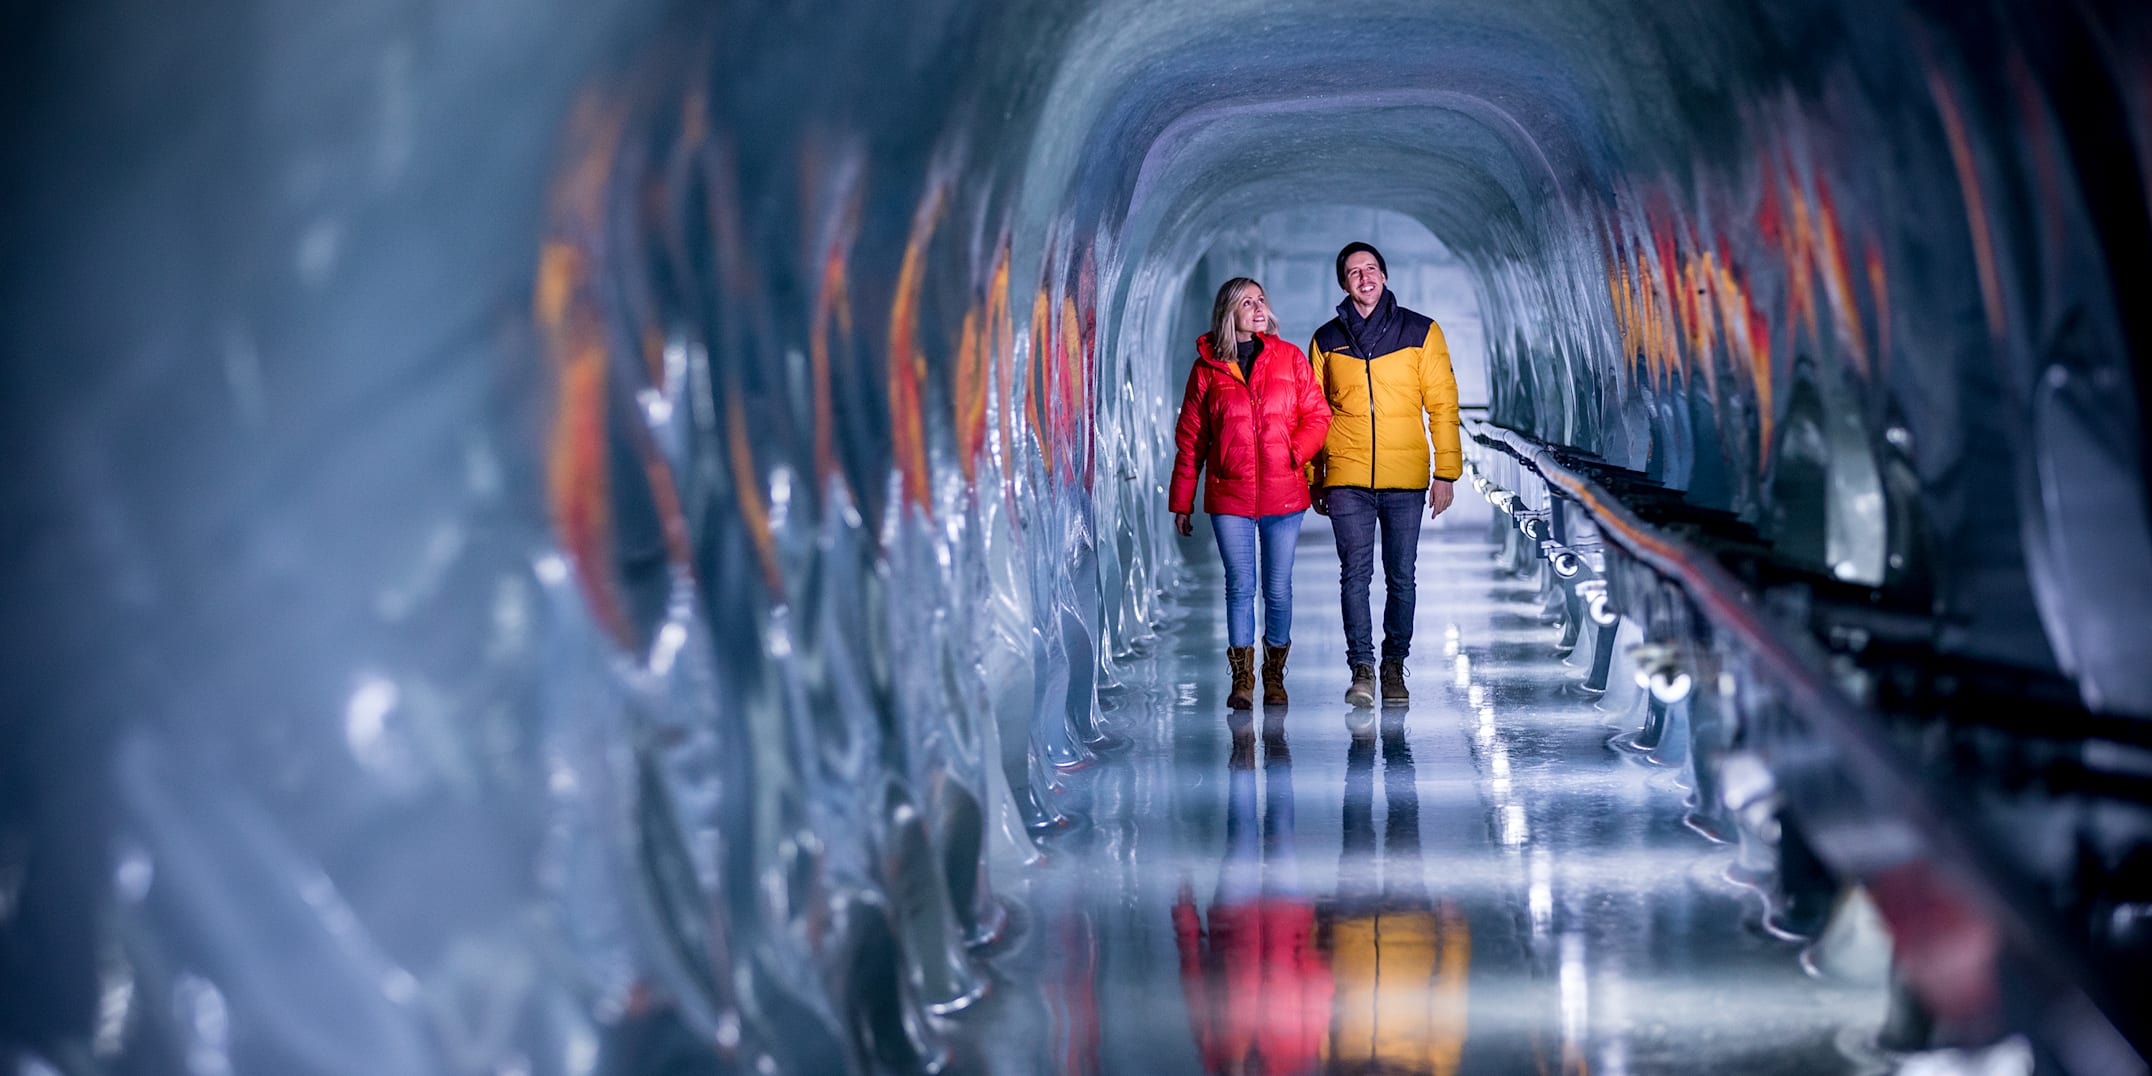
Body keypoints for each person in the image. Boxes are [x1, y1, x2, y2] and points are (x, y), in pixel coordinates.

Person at [1308, 242, 1461, 707]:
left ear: (1385, 275)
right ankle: (1362, 668)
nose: (1364, 277)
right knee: (1354, 575)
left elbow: (1442, 405)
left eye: (1371, 268)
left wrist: (1446, 472)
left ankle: (1394, 665)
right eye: (1354, 272)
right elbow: (1312, 412)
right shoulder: (1326, 340)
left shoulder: (1422, 331)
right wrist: (1316, 474)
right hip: (1348, 474)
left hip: (1405, 477)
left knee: (1402, 576)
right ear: (1343, 283)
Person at [1170, 277, 1332, 710]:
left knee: (1277, 588)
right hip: (1230, 495)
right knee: (1240, 586)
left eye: (1261, 299)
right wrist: (1182, 501)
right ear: (1229, 312)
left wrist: (1294, 453)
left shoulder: (1289, 358)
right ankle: (1243, 679)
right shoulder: (1207, 369)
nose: (1258, 307)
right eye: (1247, 302)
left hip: (1283, 492)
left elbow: (1318, 414)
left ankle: (1274, 675)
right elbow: (1192, 439)